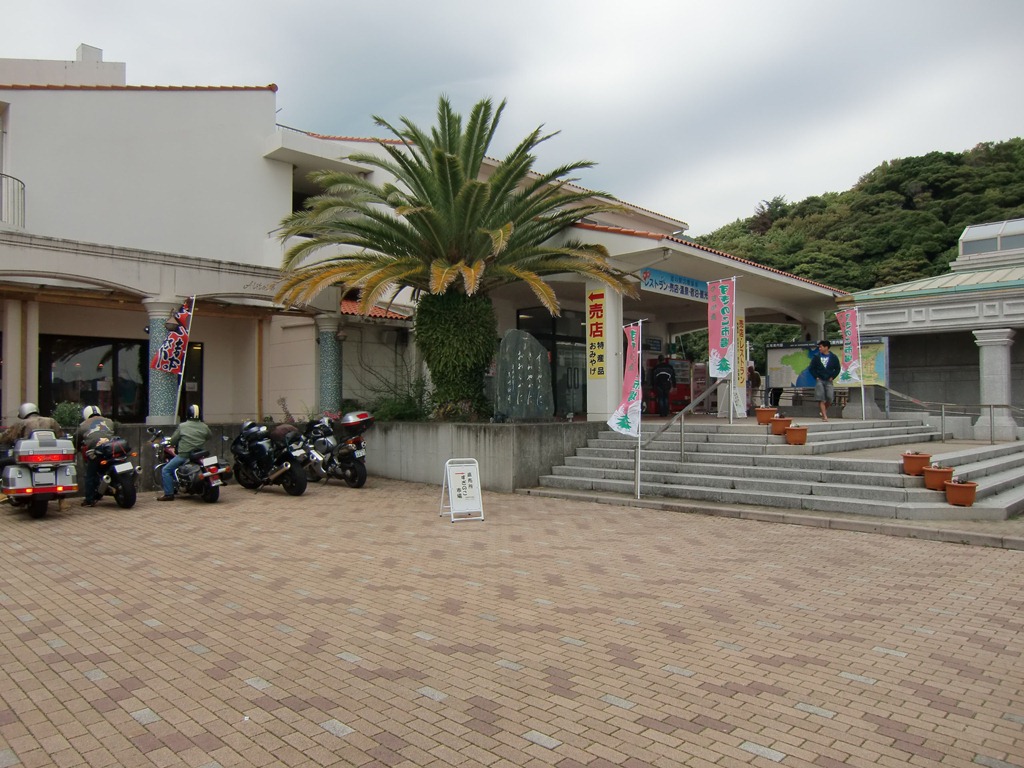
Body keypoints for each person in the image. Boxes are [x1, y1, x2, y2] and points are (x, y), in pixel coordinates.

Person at [159, 404, 212, 501]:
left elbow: (173, 440)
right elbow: (209, 436)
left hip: (185, 455)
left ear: (188, 414)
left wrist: (174, 442)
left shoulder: (182, 426)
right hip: (200, 454)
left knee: (166, 470)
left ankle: (169, 494)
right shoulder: (204, 426)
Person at [75, 405, 115, 507]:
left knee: (90, 475)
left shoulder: (83, 425)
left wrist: (77, 449)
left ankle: (89, 499)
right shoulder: (109, 421)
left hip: (96, 451)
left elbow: (77, 440)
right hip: (111, 448)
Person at [808, 339, 841, 422]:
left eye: (821, 347)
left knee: (830, 398)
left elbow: (837, 368)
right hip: (820, 380)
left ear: (826, 347)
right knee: (821, 398)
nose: (819, 348)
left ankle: (823, 411)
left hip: (829, 380)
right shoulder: (816, 357)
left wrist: (833, 376)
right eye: (819, 347)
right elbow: (811, 368)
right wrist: (816, 376)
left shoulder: (833, 357)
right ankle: (825, 416)